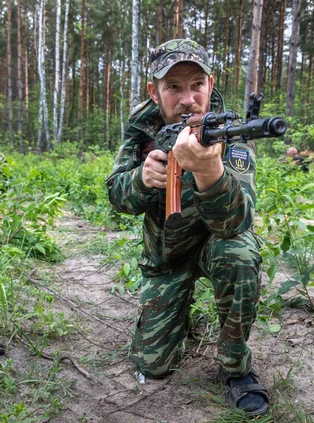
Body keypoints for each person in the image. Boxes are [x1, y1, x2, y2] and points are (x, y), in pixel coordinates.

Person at [106, 39, 269, 416]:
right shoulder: (141, 125)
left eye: (196, 85)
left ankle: (235, 367)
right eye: (173, 87)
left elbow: (238, 222)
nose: (187, 99)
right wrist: (141, 180)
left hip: (217, 246)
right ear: (154, 91)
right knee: (154, 365)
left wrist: (209, 172)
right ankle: (178, 316)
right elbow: (116, 196)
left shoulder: (231, 131)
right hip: (166, 257)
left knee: (241, 251)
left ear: (210, 85)